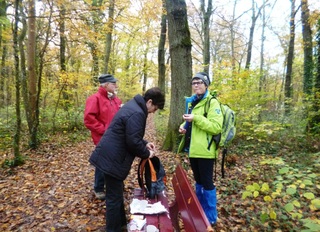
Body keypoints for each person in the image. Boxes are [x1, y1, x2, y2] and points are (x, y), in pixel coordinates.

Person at [89, 87, 165, 232]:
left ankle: (121, 225)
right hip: (112, 159)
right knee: (113, 198)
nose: (154, 111)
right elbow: (132, 142)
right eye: (155, 108)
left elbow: (130, 134)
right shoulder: (137, 112)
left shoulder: (134, 106)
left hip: (110, 156)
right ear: (149, 102)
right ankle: (113, 229)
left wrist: (145, 143)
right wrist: (146, 154)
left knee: (116, 194)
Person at [178, 72, 223, 225]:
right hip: (193, 150)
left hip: (206, 151)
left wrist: (196, 118)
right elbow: (191, 124)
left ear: (206, 85)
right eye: (194, 83)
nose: (196, 85)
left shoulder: (212, 103)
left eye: (199, 82)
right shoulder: (193, 102)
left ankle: (211, 218)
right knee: (198, 182)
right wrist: (184, 127)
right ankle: (200, 210)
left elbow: (216, 127)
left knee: (207, 183)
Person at [84, 74, 122, 200]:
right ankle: (98, 188)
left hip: (116, 138)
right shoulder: (94, 99)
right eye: (113, 83)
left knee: (115, 160)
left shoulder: (116, 100)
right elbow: (89, 120)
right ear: (105, 85)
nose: (115, 85)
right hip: (102, 138)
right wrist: (104, 130)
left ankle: (114, 184)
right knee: (102, 162)